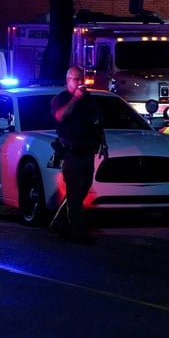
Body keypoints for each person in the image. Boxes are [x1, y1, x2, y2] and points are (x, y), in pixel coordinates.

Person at [49, 66, 108, 242]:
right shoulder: (61, 99)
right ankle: (78, 231)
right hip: (71, 153)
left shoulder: (89, 99)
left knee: (81, 190)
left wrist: (103, 144)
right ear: (68, 80)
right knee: (74, 191)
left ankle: (58, 223)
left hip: (88, 151)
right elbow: (60, 116)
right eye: (76, 79)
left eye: (81, 79)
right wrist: (75, 99)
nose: (80, 83)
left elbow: (97, 122)